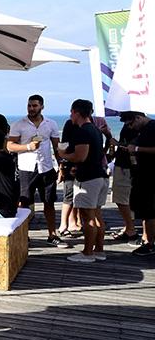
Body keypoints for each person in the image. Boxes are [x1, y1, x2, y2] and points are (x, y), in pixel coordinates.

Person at [7, 95, 63, 247]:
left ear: (42, 107)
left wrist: (61, 166)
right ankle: (23, 235)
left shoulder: (51, 124)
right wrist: (27, 147)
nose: (31, 108)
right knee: (24, 203)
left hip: (46, 167)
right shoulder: (19, 124)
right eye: (29, 106)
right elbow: (10, 146)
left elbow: (56, 147)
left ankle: (52, 235)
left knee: (49, 202)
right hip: (27, 168)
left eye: (35, 106)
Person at [57, 100, 107, 263]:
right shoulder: (95, 129)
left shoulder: (82, 131)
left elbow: (80, 156)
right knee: (97, 215)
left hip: (89, 179)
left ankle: (87, 252)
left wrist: (63, 155)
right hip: (100, 175)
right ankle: (99, 250)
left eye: (71, 112)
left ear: (76, 112)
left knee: (88, 217)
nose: (70, 115)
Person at [118, 111, 155, 257]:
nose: (131, 127)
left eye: (131, 123)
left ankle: (150, 243)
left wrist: (137, 149)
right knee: (144, 211)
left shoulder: (152, 127)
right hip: (141, 175)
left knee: (149, 211)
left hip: (150, 176)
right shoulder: (143, 130)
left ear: (138, 118)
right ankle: (147, 240)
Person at [110, 119, 140, 242]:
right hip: (128, 166)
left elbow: (132, 147)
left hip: (125, 166)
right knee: (128, 198)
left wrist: (117, 144)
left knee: (121, 198)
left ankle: (130, 228)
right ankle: (129, 227)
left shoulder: (135, 127)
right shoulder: (140, 126)